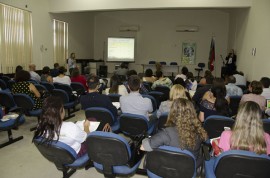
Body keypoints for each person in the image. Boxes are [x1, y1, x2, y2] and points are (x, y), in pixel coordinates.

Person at [141, 98, 208, 168]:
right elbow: (207, 141)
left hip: (166, 167)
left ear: (172, 113)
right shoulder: (200, 130)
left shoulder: (166, 133)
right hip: (189, 168)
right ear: (193, 112)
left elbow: (143, 147)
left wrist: (147, 138)